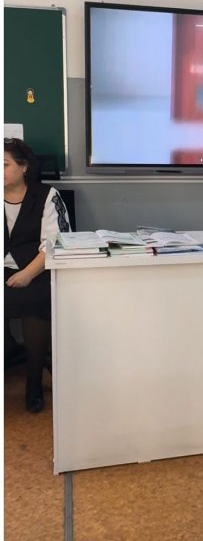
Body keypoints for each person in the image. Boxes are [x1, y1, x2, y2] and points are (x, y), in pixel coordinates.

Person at [4, 137, 70, 413]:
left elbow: (54, 244)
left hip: (37, 269)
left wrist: (27, 274)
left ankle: (34, 383)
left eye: (4, 164)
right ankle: (9, 350)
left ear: (24, 167)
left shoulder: (46, 195)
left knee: (36, 300)